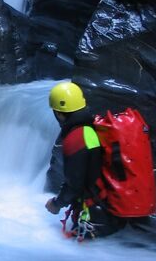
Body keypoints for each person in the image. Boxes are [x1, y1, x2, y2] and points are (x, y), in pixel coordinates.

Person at [45, 81, 125, 240]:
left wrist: (56, 204)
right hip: (107, 211)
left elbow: (74, 184)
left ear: (59, 113)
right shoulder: (89, 129)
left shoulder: (76, 138)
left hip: (94, 217)